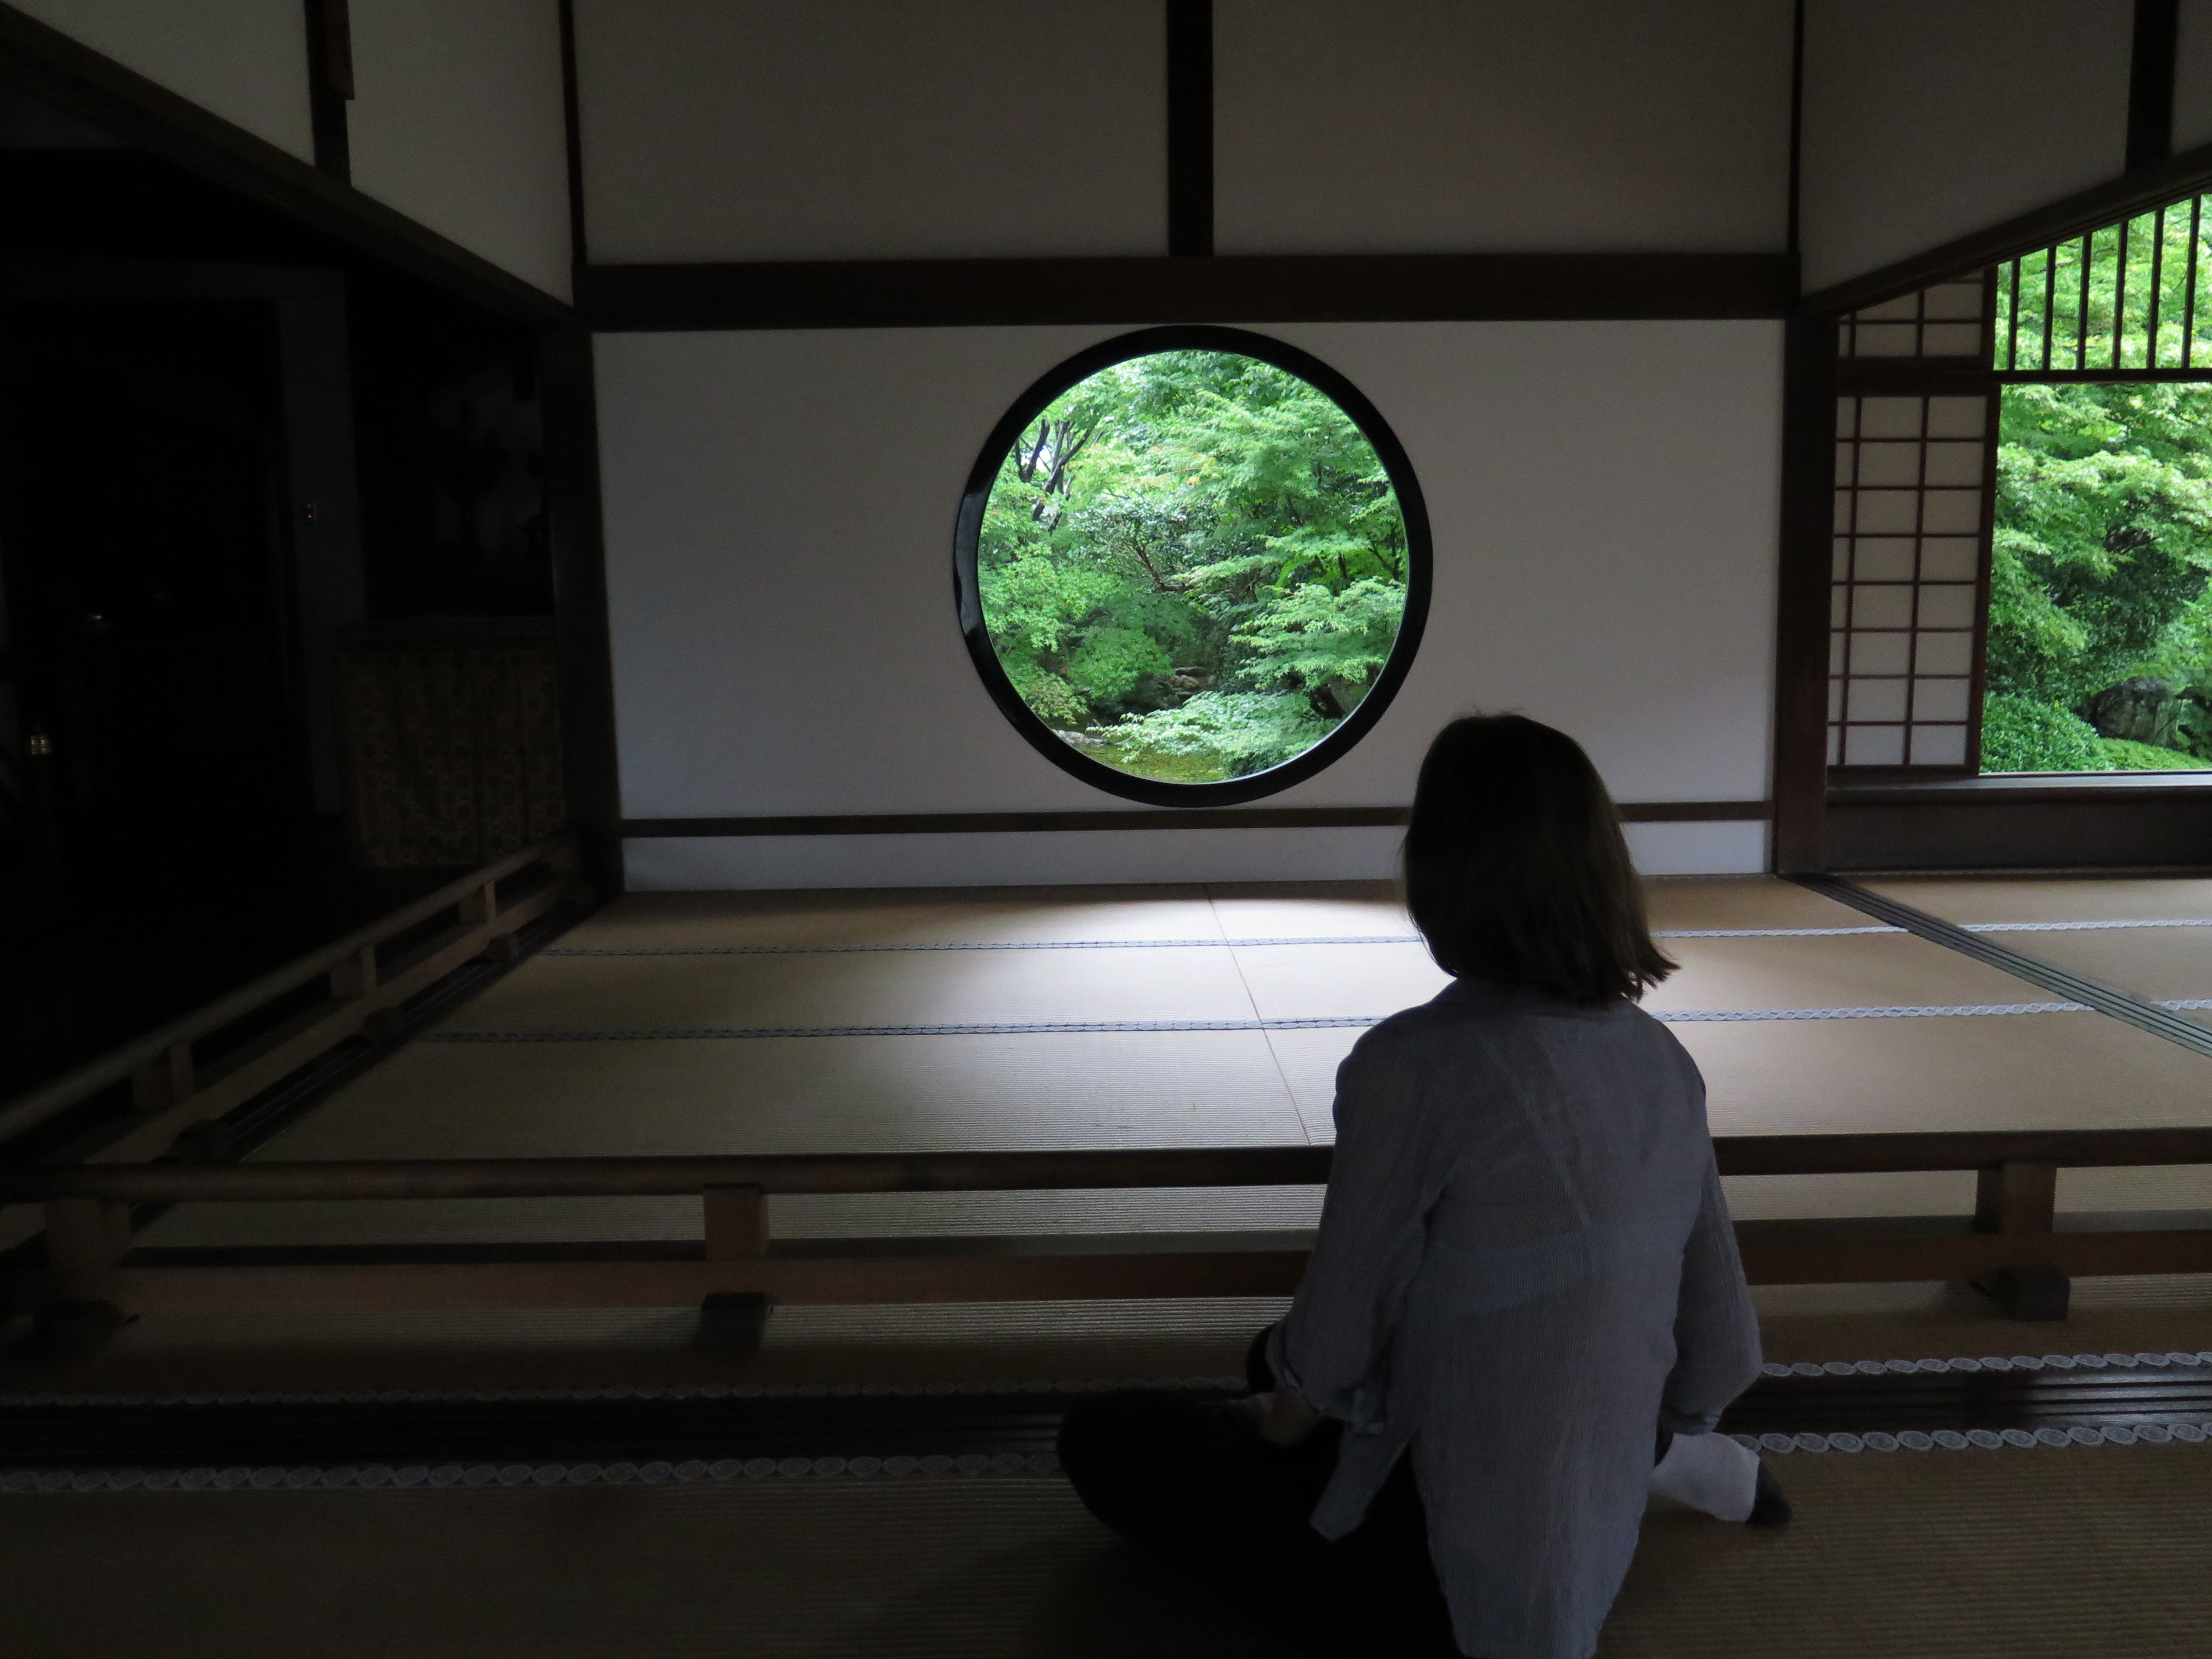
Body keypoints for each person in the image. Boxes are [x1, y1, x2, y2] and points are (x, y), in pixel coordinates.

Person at [1057, 713, 1787, 1658]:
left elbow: (1329, 1348)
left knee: (1110, 1438)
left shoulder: (1415, 1067)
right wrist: (1618, 1432)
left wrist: (1274, 1422)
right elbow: (1723, 1351)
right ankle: (1673, 1464)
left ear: (1438, 868)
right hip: (1587, 1523)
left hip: (1446, 1584)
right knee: (1331, 1352)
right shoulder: (1661, 1060)